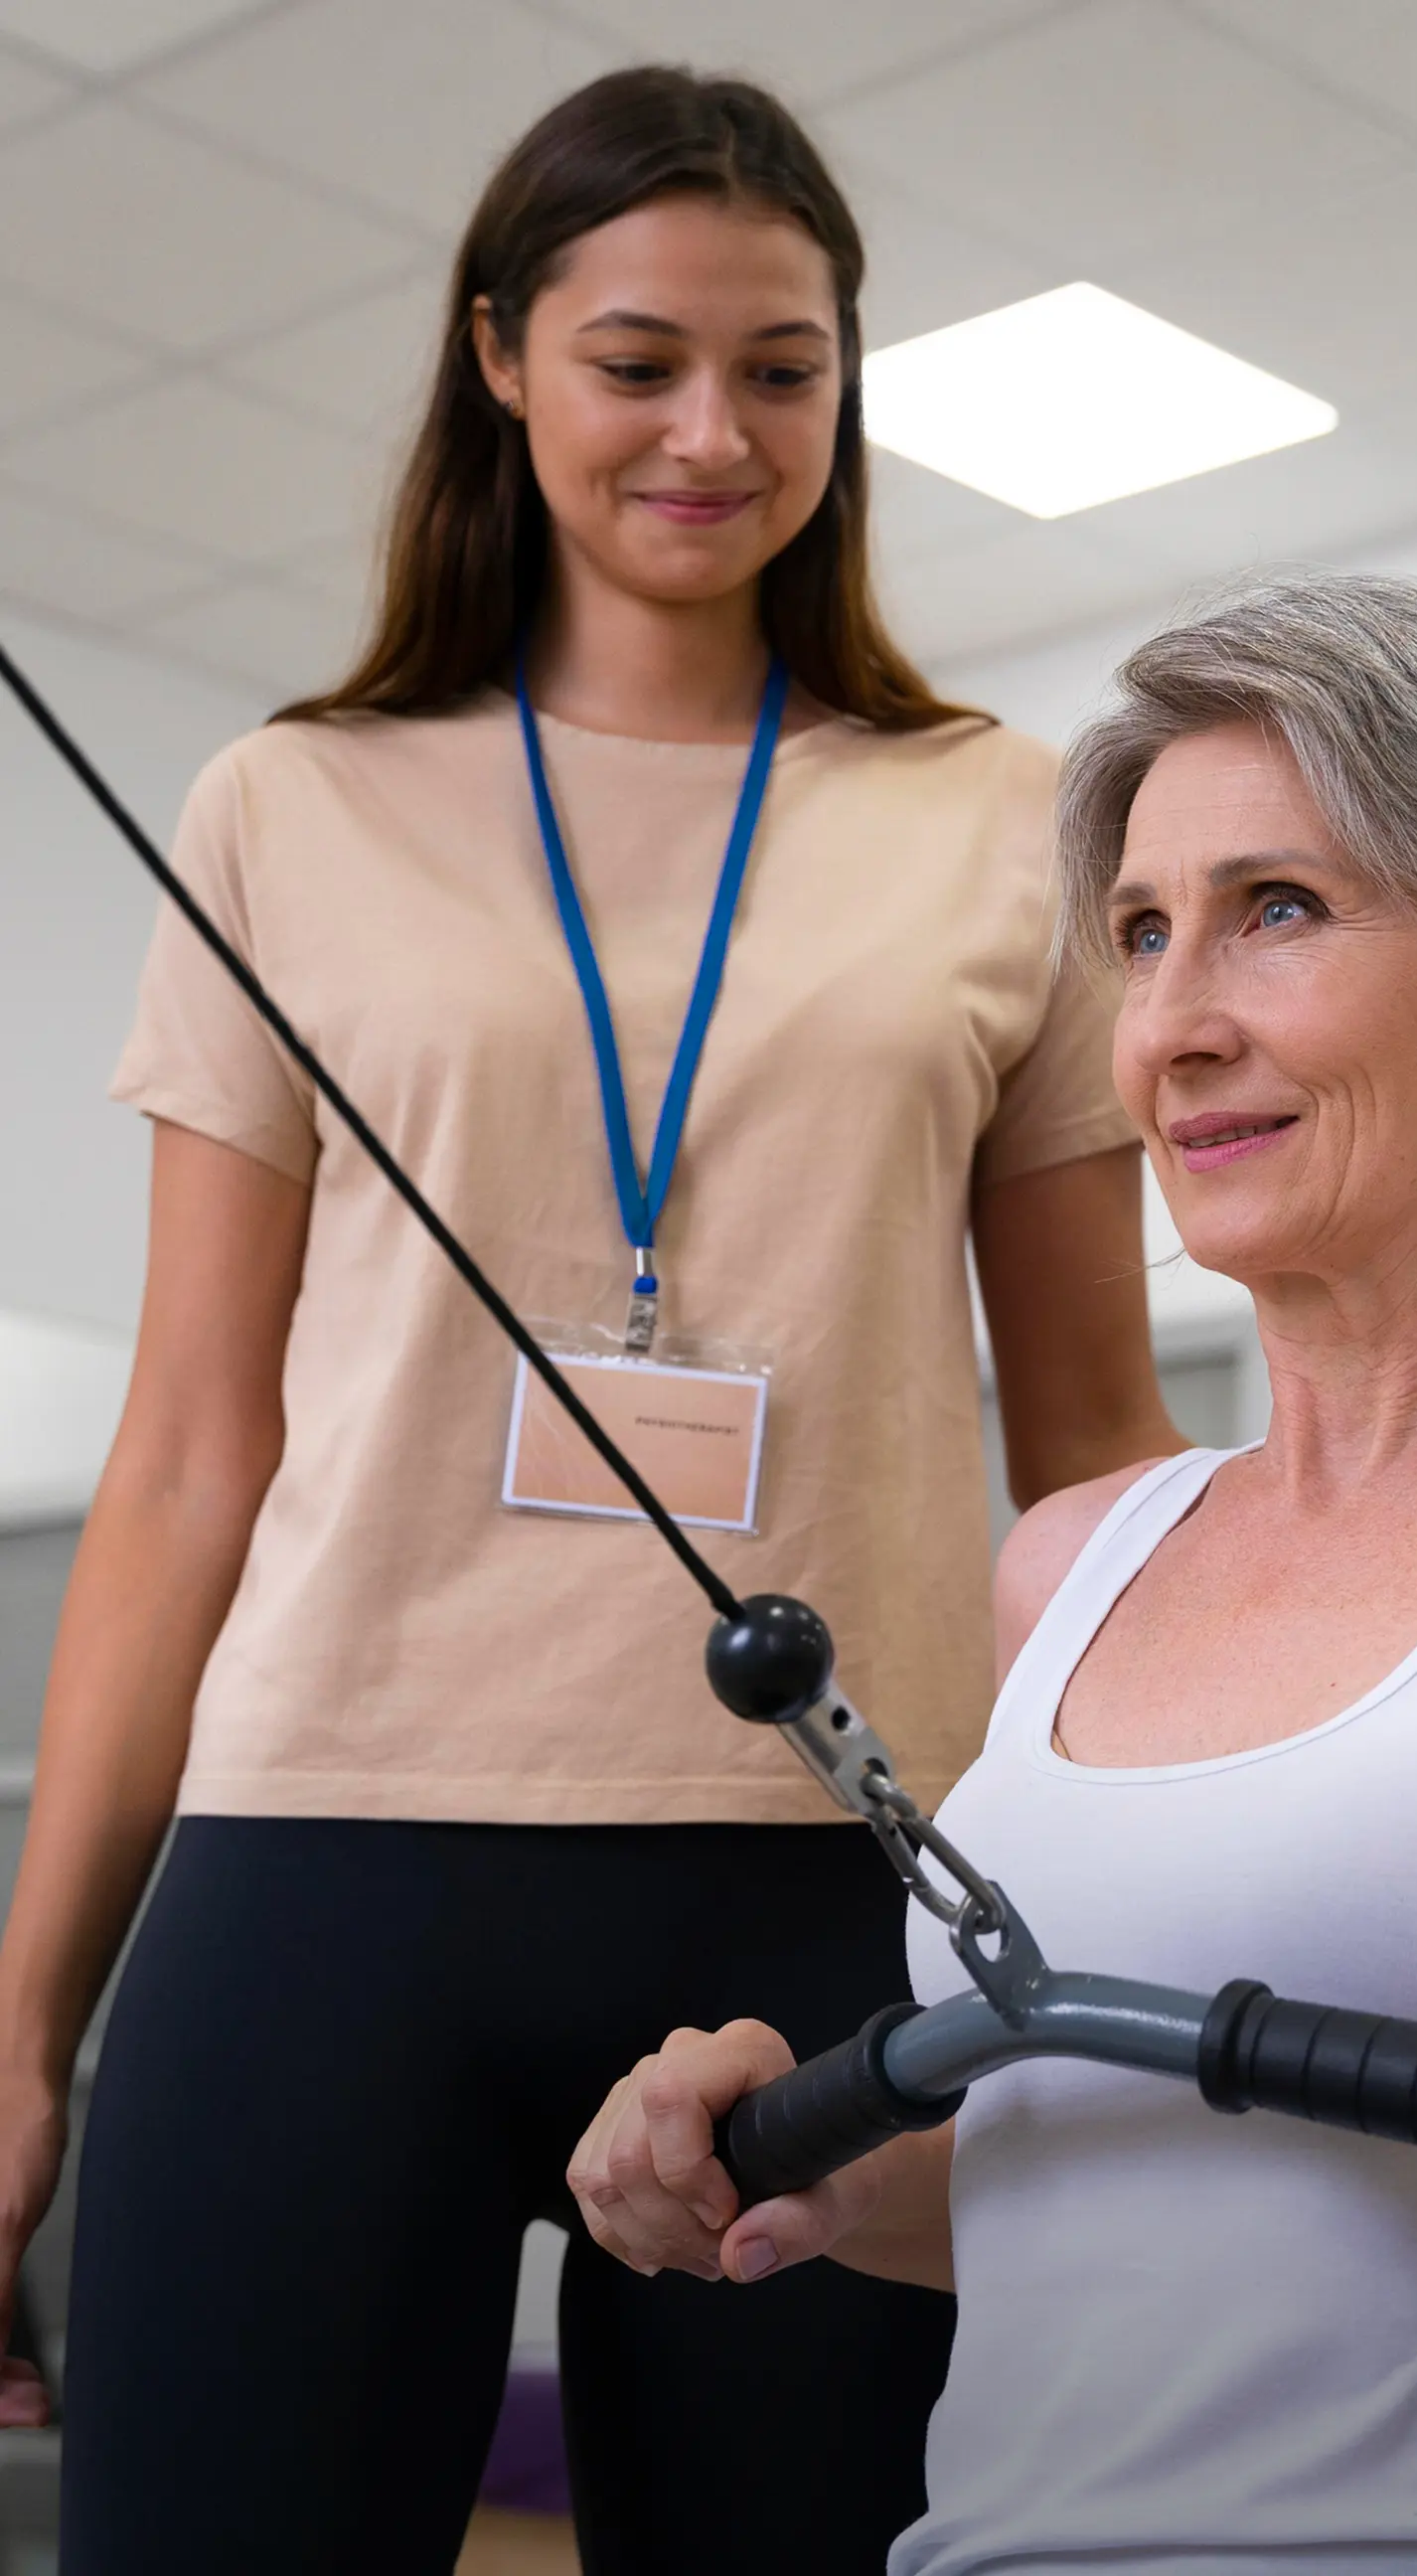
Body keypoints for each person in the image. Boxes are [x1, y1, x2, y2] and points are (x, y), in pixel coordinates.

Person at [0, 67, 1180, 2576]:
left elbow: (1090, 1444)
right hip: (329, 1859)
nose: (710, 431)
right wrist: (22, 2017)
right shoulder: (289, 802)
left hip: (831, 1875)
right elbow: (194, 1451)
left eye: (784, 367)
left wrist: (1147, 1922)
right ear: (502, 358)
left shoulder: (998, 814)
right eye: (637, 358)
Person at [570, 569, 1417, 2574]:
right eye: (1142, 936)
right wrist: (779, 2168)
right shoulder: (1072, 1558)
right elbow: (1102, 2192)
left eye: (1281, 911)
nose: (1173, 1025)